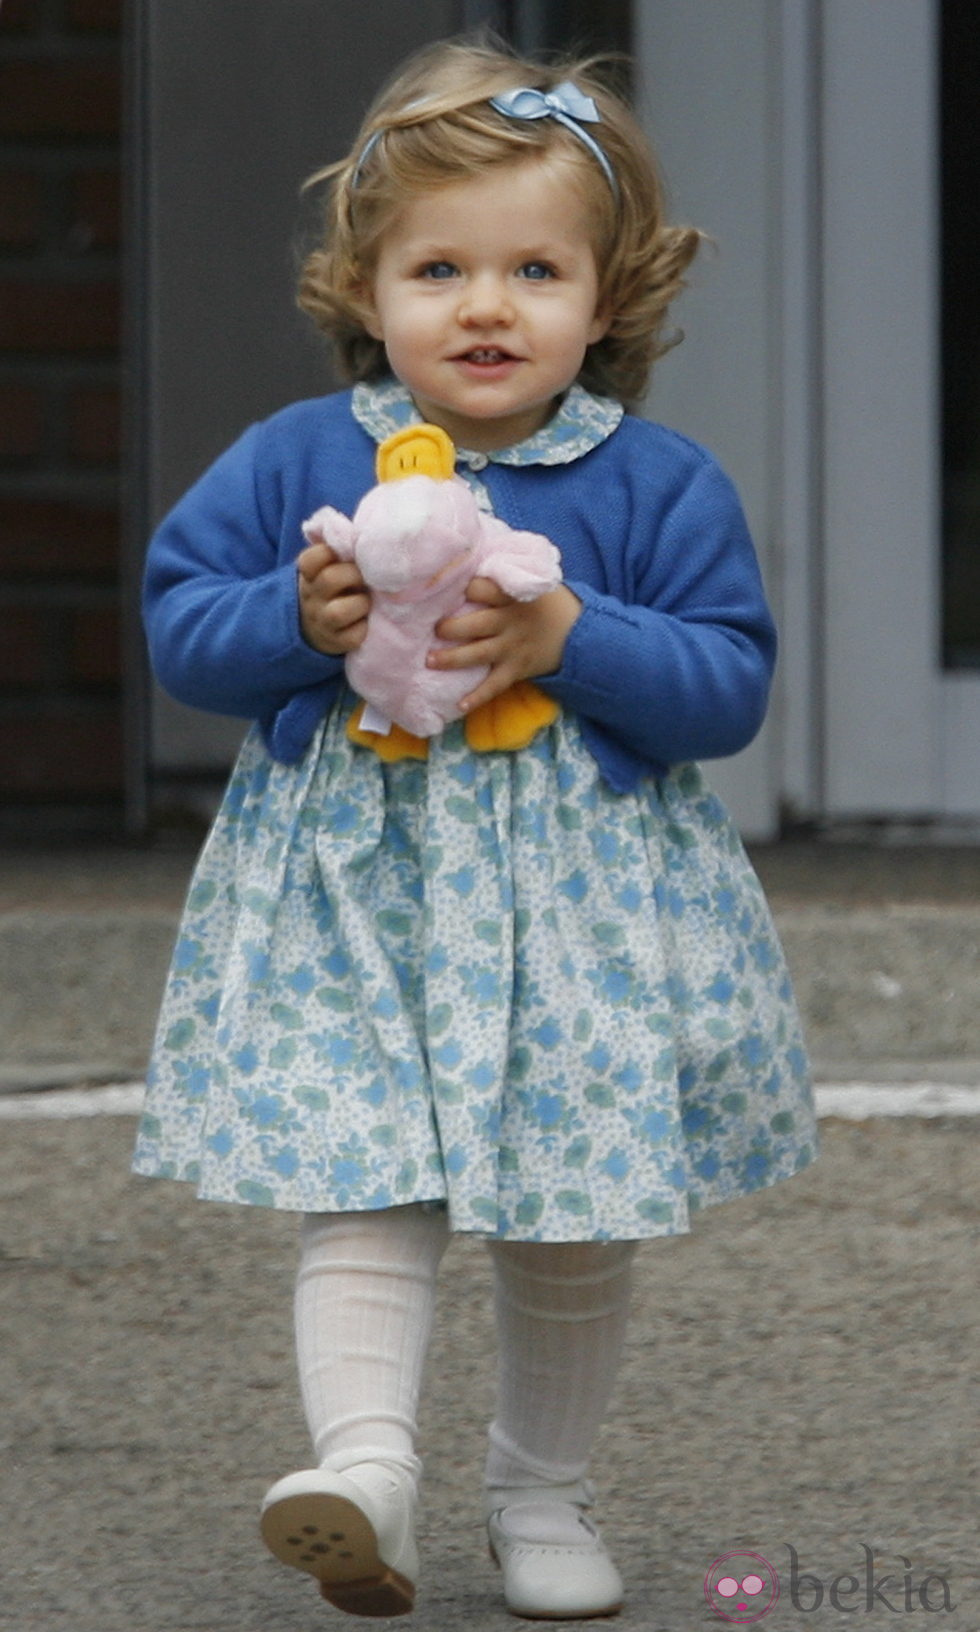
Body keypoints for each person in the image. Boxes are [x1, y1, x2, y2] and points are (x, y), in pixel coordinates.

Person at [132, 35, 817, 1622]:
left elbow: (724, 689)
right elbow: (184, 633)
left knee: (567, 1216)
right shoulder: (300, 463)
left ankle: (543, 1494)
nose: (486, 306)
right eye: (438, 267)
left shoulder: (658, 483)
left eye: (534, 269)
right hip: (355, 900)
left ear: (609, 294)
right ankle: (362, 1473)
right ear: (365, 289)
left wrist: (572, 634)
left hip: (578, 916)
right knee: (367, 1187)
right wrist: (299, 619)